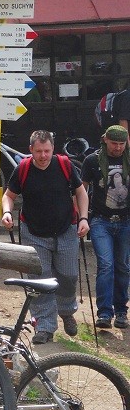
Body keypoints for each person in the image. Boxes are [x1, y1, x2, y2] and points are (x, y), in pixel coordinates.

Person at [2, 130, 90, 344]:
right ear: (30, 150)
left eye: (47, 151)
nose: (43, 156)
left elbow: (80, 192)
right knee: (38, 279)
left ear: (53, 149)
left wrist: (84, 218)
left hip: (66, 229)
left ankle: (66, 311)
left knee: (68, 276)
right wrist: (6, 212)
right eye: (39, 151)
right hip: (33, 232)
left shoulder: (65, 165)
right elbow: (9, 196)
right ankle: (44, 326)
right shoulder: (23, 168)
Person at [80, 125, 130, 329]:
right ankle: (104, 313)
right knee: (106, 265)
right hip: (101, 220)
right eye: (114, 143)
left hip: (126, 220)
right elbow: (81, 189)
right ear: (105, 140)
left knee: (123, 266)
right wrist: (82, 217)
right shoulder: (92, 161)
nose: (118, 148)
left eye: (121, 144)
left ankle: (121, 311)